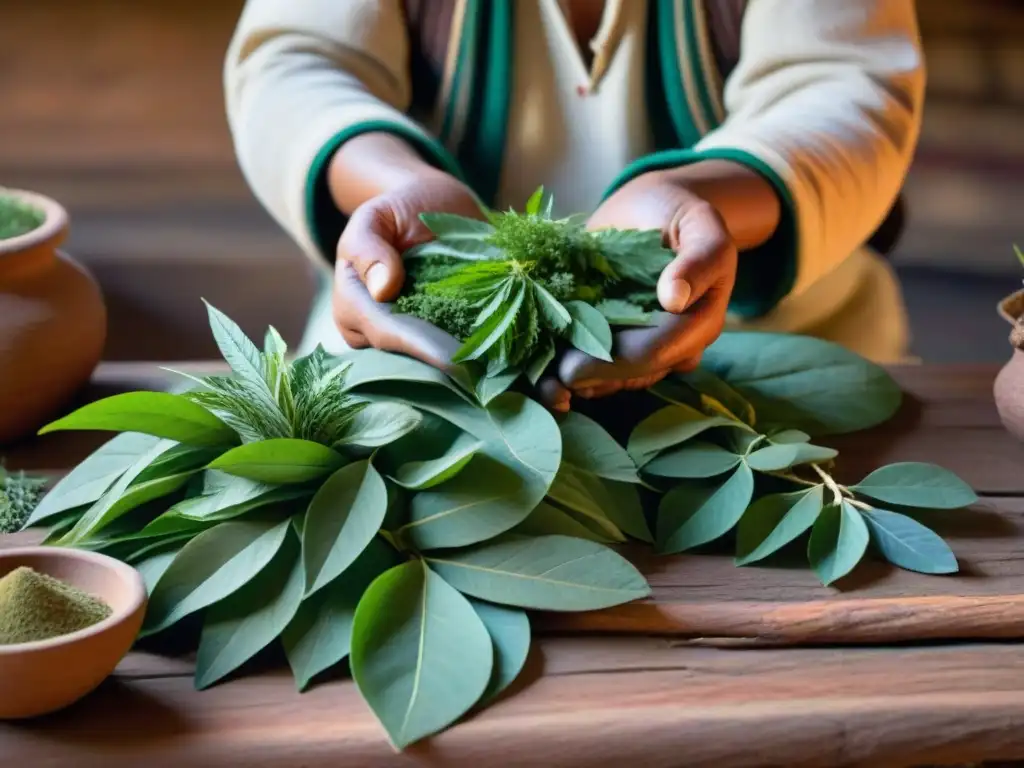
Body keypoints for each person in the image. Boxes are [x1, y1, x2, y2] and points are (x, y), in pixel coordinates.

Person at [224, 0, 924, 410]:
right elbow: (299, 60)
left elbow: (841, 82)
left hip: (776, 372)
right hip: (406, 349)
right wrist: (395, 188)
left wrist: (697, 199)